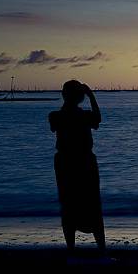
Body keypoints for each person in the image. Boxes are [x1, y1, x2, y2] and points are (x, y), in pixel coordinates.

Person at [48, 80, 106, 255]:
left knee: (68, 204)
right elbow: (98, 119)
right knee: (92, 204)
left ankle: (72, 250)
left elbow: (59, 123)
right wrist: (91, 95)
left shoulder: (55, 116)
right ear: (81, 97)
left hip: (65, 163)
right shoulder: (83, 116)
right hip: (84, 162)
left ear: (64, 95)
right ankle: (101, 251)